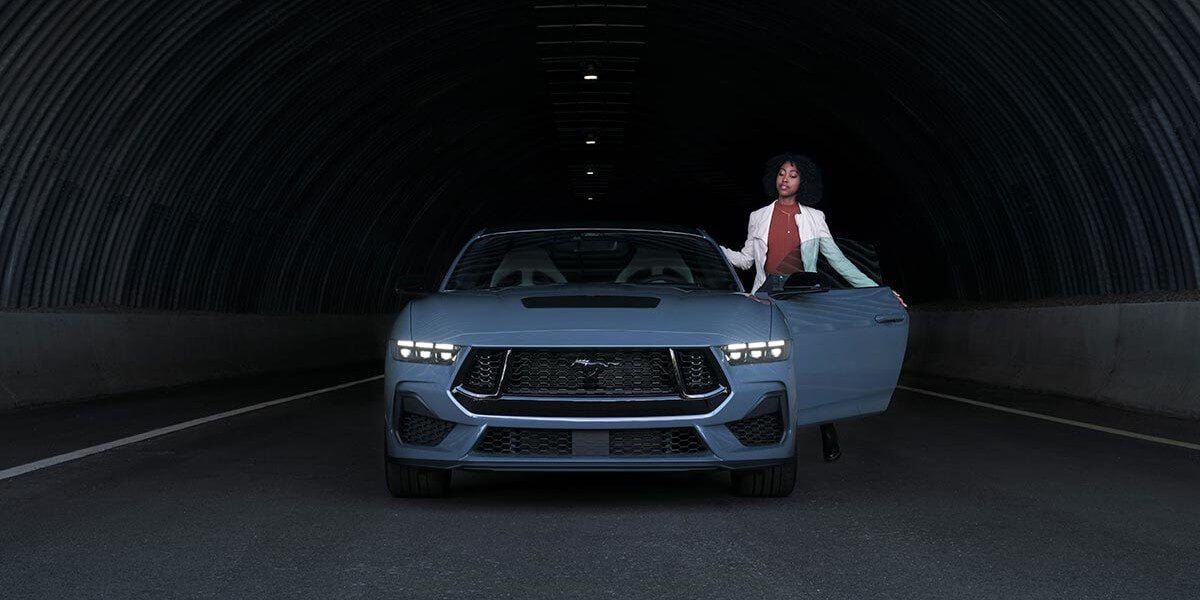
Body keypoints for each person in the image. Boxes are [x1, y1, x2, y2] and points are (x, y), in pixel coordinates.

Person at [721, 153, 904, 462]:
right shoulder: (758, 215)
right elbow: (746, 260)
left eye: (792, 175)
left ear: (803, 182)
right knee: (766, 367)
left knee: (809, 366)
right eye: (781, 173)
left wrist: (879, 292)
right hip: (766, 299)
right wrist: (715, 249)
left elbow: (838, 261)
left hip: (804, 297)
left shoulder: (815, 218)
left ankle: (825, 425)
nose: (785, 179)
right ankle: (757, 433)